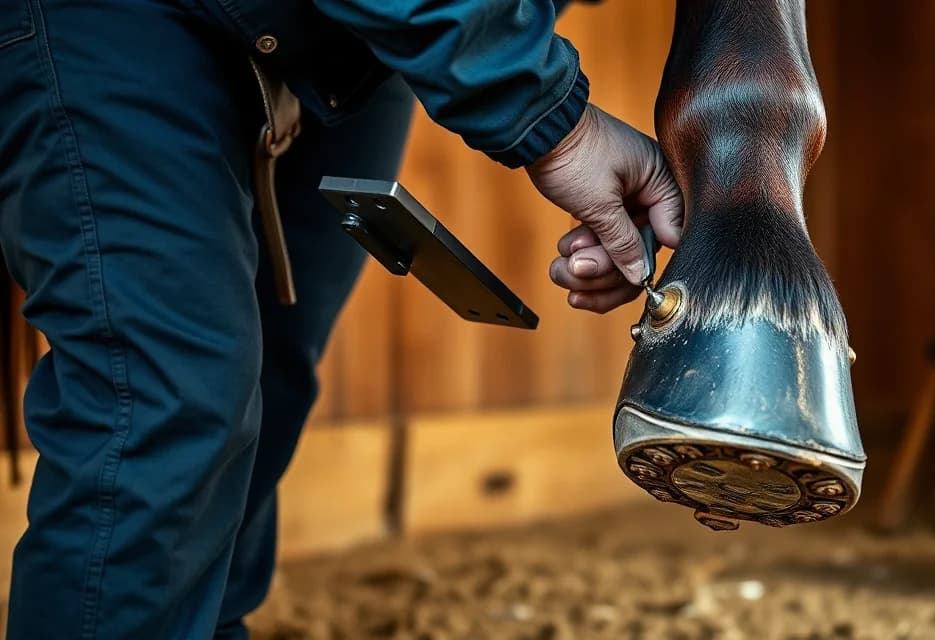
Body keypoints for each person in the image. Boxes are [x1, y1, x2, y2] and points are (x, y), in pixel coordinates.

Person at [0, 0, 683, 637]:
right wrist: (551, 119)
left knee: (271, 371)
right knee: (168, 395)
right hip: (118, 21)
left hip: (351, 45)